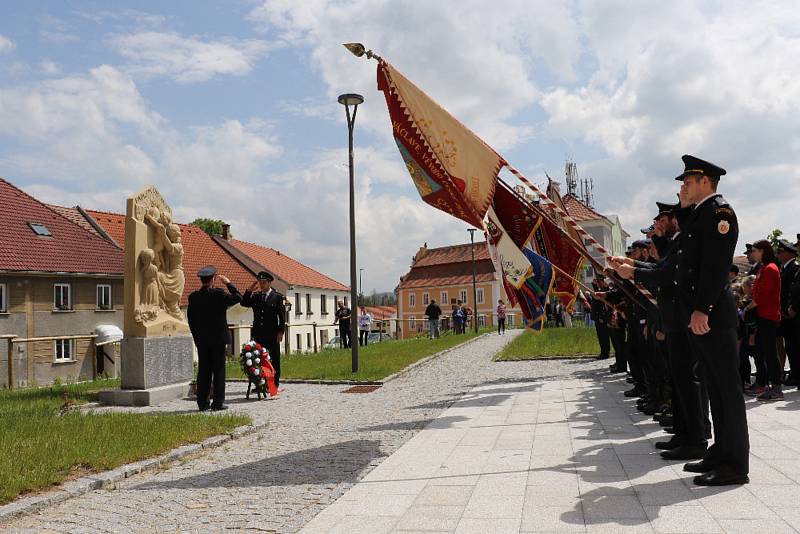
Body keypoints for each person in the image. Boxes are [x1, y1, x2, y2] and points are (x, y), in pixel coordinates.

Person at [673, 154, 749, 486]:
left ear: (706, 182)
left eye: (688, 182)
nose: (684, 187)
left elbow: (716, 268)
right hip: (706, 315)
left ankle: (735, 465)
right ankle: (721, 452)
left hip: (714, 316)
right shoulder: (700, 214)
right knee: (716, 389)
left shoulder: (720, 213)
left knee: (727, 391)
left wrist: (702, 308)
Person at [187, 266, 242, 411]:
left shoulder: (193, 297)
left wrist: (197, 338)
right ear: (213, 279)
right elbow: (238, 297)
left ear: (201, 280)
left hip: (202, 341)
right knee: (218, 371)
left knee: (203, 371)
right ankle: (217, 403)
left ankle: (202, 403)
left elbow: (191, 321)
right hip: (218, 340)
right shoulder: (219, 294)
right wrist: (229, 283)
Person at [748, 240, 783, 400]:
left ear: (763, 251)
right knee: (761, 351)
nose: (752, 253)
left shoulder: (770, 268)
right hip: (762, 315)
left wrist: (748, 308)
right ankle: (764, 384)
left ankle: (777, 388)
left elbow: (762, 294)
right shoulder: (764, 268)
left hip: (767, 315)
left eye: (754, 250)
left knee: (770, 352)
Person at [241, 271, 286, 389]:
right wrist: (249, 290)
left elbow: (281, 316)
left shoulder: (277, 297)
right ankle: (261, 382)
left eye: (264, 282)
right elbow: (244, 303)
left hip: (272, 334)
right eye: (260, 282)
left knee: (274, 359)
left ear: (270, 283)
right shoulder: (256, 296)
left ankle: (274, 384)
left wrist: (281, 332)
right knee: (259, 359)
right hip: (258, 334)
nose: (261, 285)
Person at [776, 239, 800, 386]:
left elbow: (792, 292)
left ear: (787, 253)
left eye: (779, 252)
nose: (777, 254)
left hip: (792, 313)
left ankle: (796, 374)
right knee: (790, 345)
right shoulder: (785, 268)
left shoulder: (793, 268)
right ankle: (794, 372)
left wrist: (791, 308)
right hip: (786, 312)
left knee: (793, 344)